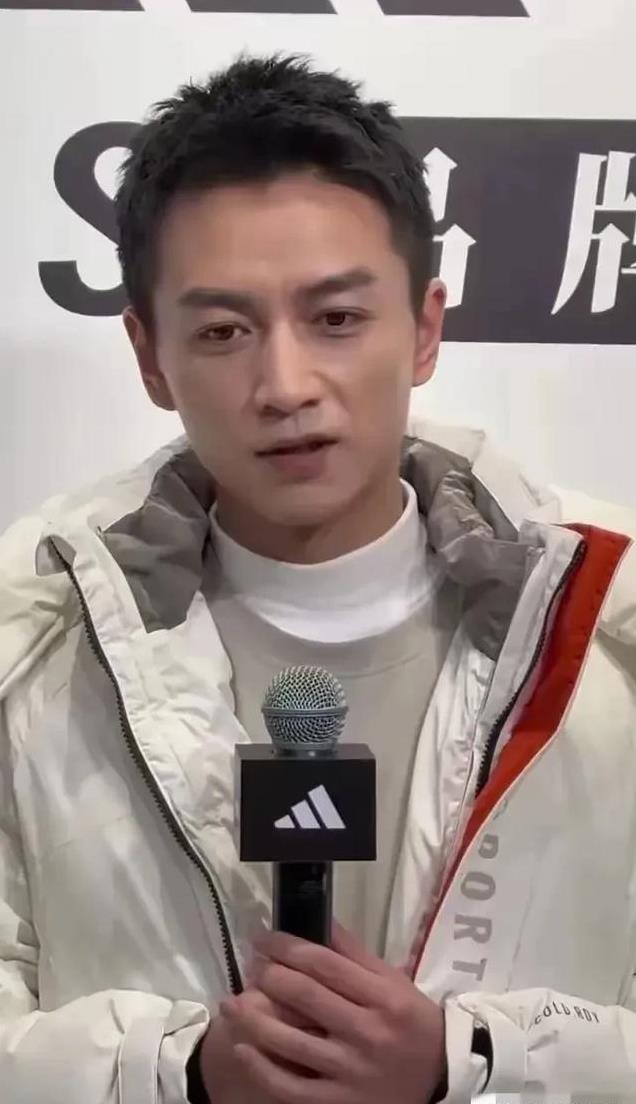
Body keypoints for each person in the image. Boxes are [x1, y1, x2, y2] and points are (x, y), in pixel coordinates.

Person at [1, 51, 635, 1104]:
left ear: (425, 328)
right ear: (149, 356)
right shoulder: (30, 640)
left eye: (336, 318)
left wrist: (472, 1060)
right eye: (223, 331)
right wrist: (179, 1070)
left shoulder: (608, 618)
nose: (285, 385)